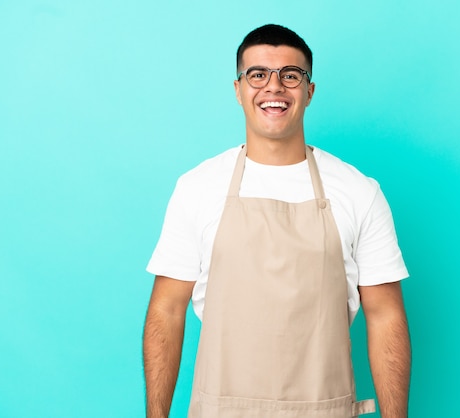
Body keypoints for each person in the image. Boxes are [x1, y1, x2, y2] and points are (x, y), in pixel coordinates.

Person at [143, 24, 411, 418]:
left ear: (309, 91)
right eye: (257, 75)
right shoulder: (197, 187)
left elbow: (385, 314)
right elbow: (166, 310)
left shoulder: (358, 191)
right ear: (238, 90)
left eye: (290, 75)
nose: (274, 87)